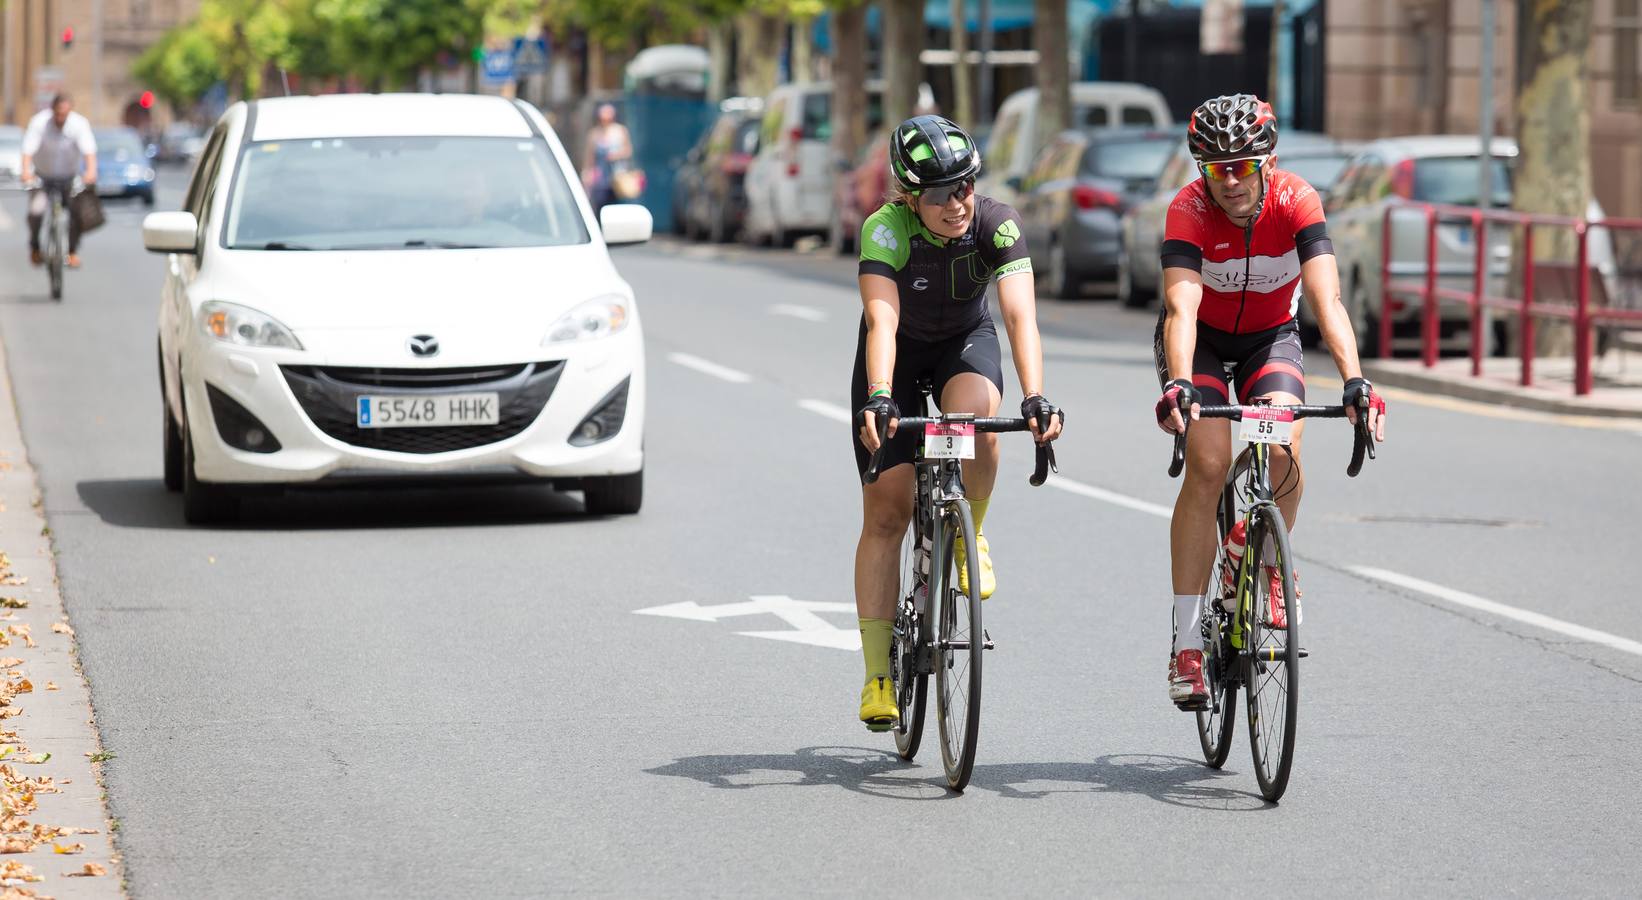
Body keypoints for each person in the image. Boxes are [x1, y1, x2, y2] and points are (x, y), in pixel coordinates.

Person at [1154, 94, 1386, 709]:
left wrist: (1356, 380)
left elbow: (1327, 301)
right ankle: (1185, 645)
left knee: (1281, 449)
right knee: (1207, 465)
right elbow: (1181, 308)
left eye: (1244, 166)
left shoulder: (1296, 201)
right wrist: (1179, 383)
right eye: (1216, 167)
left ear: (1269, 162)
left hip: (1269, 339)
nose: (1230, 180)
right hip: (1200, 344)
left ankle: (1266, 562)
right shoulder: (1189, 208)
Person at [853, 115, 1063, 730]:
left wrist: (1037, 395)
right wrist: (884, 396)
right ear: (911, 197)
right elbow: (881, 320)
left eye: (966, 186)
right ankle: (877, 676)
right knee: (887, 514)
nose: (958, 203)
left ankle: (972, 533)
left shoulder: (996, 225)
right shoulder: (885, 229)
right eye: (941, 194)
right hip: (898, 353)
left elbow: (1020, 317)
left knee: (978, 418)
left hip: (964, 341)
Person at [20, 93, 97, 269]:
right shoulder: (39, 123)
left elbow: (89, 152)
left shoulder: (79, 124)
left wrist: (90, 172)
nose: (61, 118)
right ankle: (35, 248)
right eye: (58, 114)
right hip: (43, 177)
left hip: (68, 177)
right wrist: (26, 172)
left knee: (77, 213)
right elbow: (27, 150)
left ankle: (72, 251)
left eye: (65, 114)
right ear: (52, 110)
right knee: (36, 212)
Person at [581, 103, 632, 216]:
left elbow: (628, 151)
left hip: (617, 176)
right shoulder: (594, 134)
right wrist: (587, 174)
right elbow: (589, 157)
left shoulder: (620, 131)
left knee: (617, 207)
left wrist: (615, 155)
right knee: (601, 205)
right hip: (601, 178)